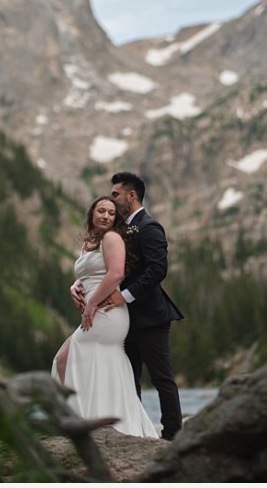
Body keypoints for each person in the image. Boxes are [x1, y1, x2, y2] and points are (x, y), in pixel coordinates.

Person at [71, 172, 184, 440]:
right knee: (128, 378)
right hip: (122, 319)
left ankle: (172, 437)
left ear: (131, 196)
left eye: (116, 194)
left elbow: (158, 269)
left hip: (150, 316)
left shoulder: (150, 227)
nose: (112, 199)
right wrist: (78, 284)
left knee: (161, 379)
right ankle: (133, 434)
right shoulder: (117, 230)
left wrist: (126, 296)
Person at [51, 196, 159, 438]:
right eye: (101, 211)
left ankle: (81, 424)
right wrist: (74, 285)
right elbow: (88, 273)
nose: (106, 216)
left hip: (107, 313)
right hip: (96, 312)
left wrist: (91, 304)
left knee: (64, 360)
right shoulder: (90, 243)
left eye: (111, 213)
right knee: (82, 361)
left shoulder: (112, 238)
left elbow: (116, 274)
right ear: (92, 214)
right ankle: (89, 421)